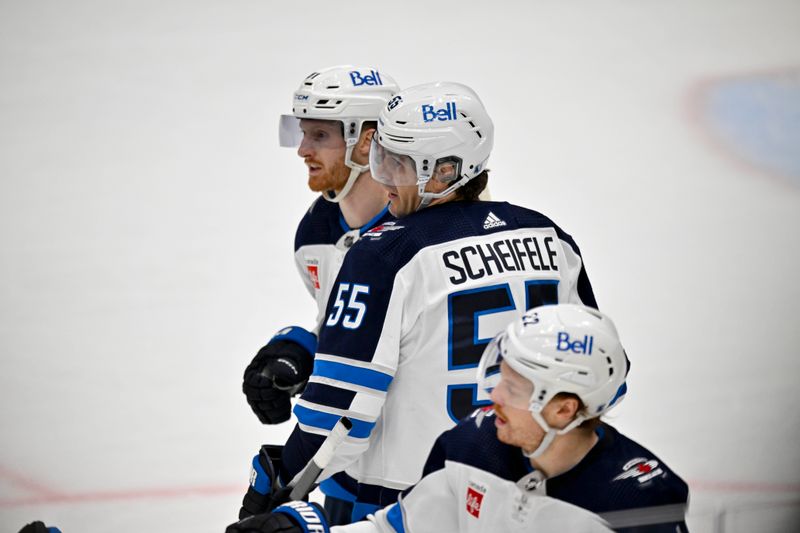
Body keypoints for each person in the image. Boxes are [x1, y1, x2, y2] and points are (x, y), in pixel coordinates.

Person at [238, 82, 603, 524]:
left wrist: (282, 478)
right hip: (528, 501)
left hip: (398, 506)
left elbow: (341, 410)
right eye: (381, 158)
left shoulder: (383, 255)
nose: (384, 174)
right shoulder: (549, 237)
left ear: (445, 172)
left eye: (398, 163)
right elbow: (603, 379)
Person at [227, 305, 688, 533]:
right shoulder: (472, 446)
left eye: (514, 387)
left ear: (564, 409)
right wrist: (313, 530)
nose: (492, 399)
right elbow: (401, 528)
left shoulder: (638, 504)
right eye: (499, 376)